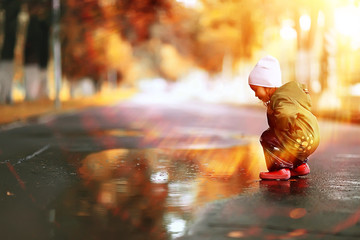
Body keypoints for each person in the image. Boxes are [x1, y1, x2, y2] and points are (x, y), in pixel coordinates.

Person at [248, 55, 320, 180]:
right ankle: (300, 167)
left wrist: (281, 127)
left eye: (256, 89)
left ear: (267, 86)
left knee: (268, 137)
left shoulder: (280, 98)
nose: (255, 95)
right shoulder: (288, 96)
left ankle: (280, 169)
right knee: (285, 138)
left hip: (300, 138)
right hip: (311, 138)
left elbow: (285, 114)